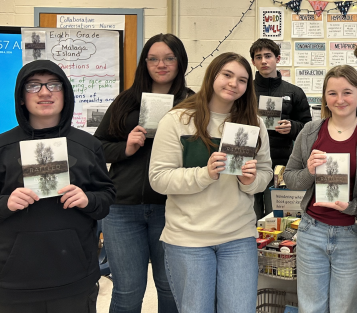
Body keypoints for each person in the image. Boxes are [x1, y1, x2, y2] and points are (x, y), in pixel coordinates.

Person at [149, 52, 273, 313]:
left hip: (238, 236)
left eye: (241, 79)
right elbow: (159, 179)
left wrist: (250, 181)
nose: (233, 84)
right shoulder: (178, 120)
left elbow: (265, 173)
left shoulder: (253, 123)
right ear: (212, 76)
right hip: (189, 240)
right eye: (227, 75)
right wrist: (203, 174)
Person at [0, 60, 115, 312]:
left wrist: (88, 199)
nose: (44, 92)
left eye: (54, 84)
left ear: (66, 93)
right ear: (21, 97)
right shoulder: (3, 146)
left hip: (74, 277)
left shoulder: (88, 145)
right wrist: (6, 202)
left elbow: (106, 198)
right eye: (33, 86)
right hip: (14, 280)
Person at [94, 33, 192, 313]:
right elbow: (98, 147)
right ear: (145, 63)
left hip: (172, 208)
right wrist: (125, 147)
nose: (161, 64)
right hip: (123, 209)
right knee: (127, 292)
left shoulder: (192, 104)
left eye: (169, 58)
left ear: (180, 61)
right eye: (153, 59)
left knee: (171, 289)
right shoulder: (126, 102)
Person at [283, 65, 357, 313]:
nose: (340, 100)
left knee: (347, 308)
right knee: (311, 307)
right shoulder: (310, 132)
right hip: (312, 231)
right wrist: (309, 171)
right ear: (324, 97)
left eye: (347, 92)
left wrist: (352, 207)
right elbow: (290, 178)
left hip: (353, 234)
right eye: (332, 93)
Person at [249, 38, 312, 218]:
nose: (263, 61)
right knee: (249, 216)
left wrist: (292, 127)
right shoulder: (245, 91)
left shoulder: (294, 92)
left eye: (268, 56)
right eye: (258, 57)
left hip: (282, 164)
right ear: (253, 62)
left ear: (277, 58)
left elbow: (309, 128)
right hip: (251, 163)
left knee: (276, 217)